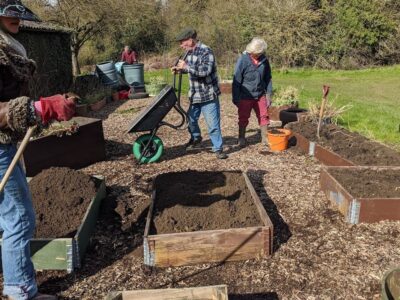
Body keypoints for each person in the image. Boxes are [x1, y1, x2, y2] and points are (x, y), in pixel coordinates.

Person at [0, 1, 76, 299]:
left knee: (9, 217)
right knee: (18, 218)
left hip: (7, 143)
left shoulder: (10, 48)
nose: (13, 17)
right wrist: (36, 108)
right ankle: (20, 292)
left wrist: (45, 114)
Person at [172, 27, 227, 159]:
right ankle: (196, 138)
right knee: (191, 120)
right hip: (195, 94)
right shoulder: (188, 52)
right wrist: (180, 70)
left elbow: (205, 71)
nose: (181, 45)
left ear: (190, 40)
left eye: (182, 42)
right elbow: (191, 70)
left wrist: (186, 67)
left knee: (213, 125)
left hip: (208, 94)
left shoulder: (206, 51)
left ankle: (218, 148)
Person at [232, 37, 273, 147]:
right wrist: (236, 98)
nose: (258, 55)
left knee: (264, 116)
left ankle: (264, 138)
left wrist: (268, 94)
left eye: (260, 53)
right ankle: (241, 138)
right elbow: (236, 79)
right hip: (245, 95)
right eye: (256, 53)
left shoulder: (264, 60)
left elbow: (268, 78)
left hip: (260, 94)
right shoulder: (243, 60)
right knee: (243, 117)